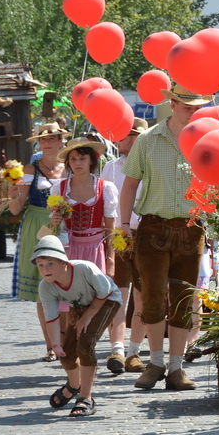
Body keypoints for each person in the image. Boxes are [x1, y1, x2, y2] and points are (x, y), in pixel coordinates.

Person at [120, 86, 212, 390]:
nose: (193, 110)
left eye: (197, 105)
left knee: (185, 299)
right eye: (187, 105)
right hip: (152, 227)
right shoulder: (147, 140)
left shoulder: (206, 139)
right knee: (152, 297)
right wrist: (123, 223)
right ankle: (156, 362)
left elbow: (218, 181)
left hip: (191, 227)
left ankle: (176, 368)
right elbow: (130, 183)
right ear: (172, 104)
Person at [32, 234, 122, 416]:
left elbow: (103, 293)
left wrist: (87, 317)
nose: (45, 269)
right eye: (40, 265)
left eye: (50, 263)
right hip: (79, 306)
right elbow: (51, 317)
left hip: (106, 300)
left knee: (86, 343)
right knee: (66, 353)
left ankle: (86, 397)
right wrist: (55, 343)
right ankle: (74, 385)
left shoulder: (84, 268)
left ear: (63, 262)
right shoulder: (46, 286)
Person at [10, 122, 67, 356]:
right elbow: (15, 210)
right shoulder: (30, 170)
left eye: (52, 137)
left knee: (66, 284)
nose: (47, 142)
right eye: (43, 139)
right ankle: (51, 345)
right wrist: (12, 195)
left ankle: (65, 340)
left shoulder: (70, 168)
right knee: (43, 288)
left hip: (65, 224)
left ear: (61, 140)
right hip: (37, 225)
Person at [98, 119, 149, 375]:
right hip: (118, 235)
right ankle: (117, 348)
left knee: (141, 294)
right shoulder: (111, 167)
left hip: (145, 234)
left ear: (138, 138)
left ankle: (134, 352)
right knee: (117, 293)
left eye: (125, 135)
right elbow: (105, 204)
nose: (118, 140)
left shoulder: (149, 165)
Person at [54, 136, 117, 273]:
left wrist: (110, 259)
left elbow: (110, 228)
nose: (78, 163)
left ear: (91, 161)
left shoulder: (105, 187)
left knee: (94, 290)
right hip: (68, 248)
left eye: (82, 158)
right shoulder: (59, 188)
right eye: (73, 159)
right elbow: (55, 226)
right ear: (68, 162)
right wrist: (54, 222)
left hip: (95, 248)